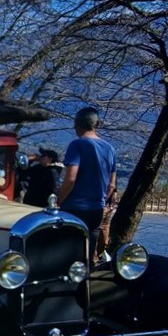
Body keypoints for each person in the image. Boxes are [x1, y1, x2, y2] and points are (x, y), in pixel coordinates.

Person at [57, 107, 117, 259]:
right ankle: (86, 281)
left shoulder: (77, 145)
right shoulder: (110, 149)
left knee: (68, 255)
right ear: (97, 124)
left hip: (74, 208)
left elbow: (71, 178)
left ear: (76, 124)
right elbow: (111, 185)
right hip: (96, 209)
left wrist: (59, 200)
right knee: (88, 256)